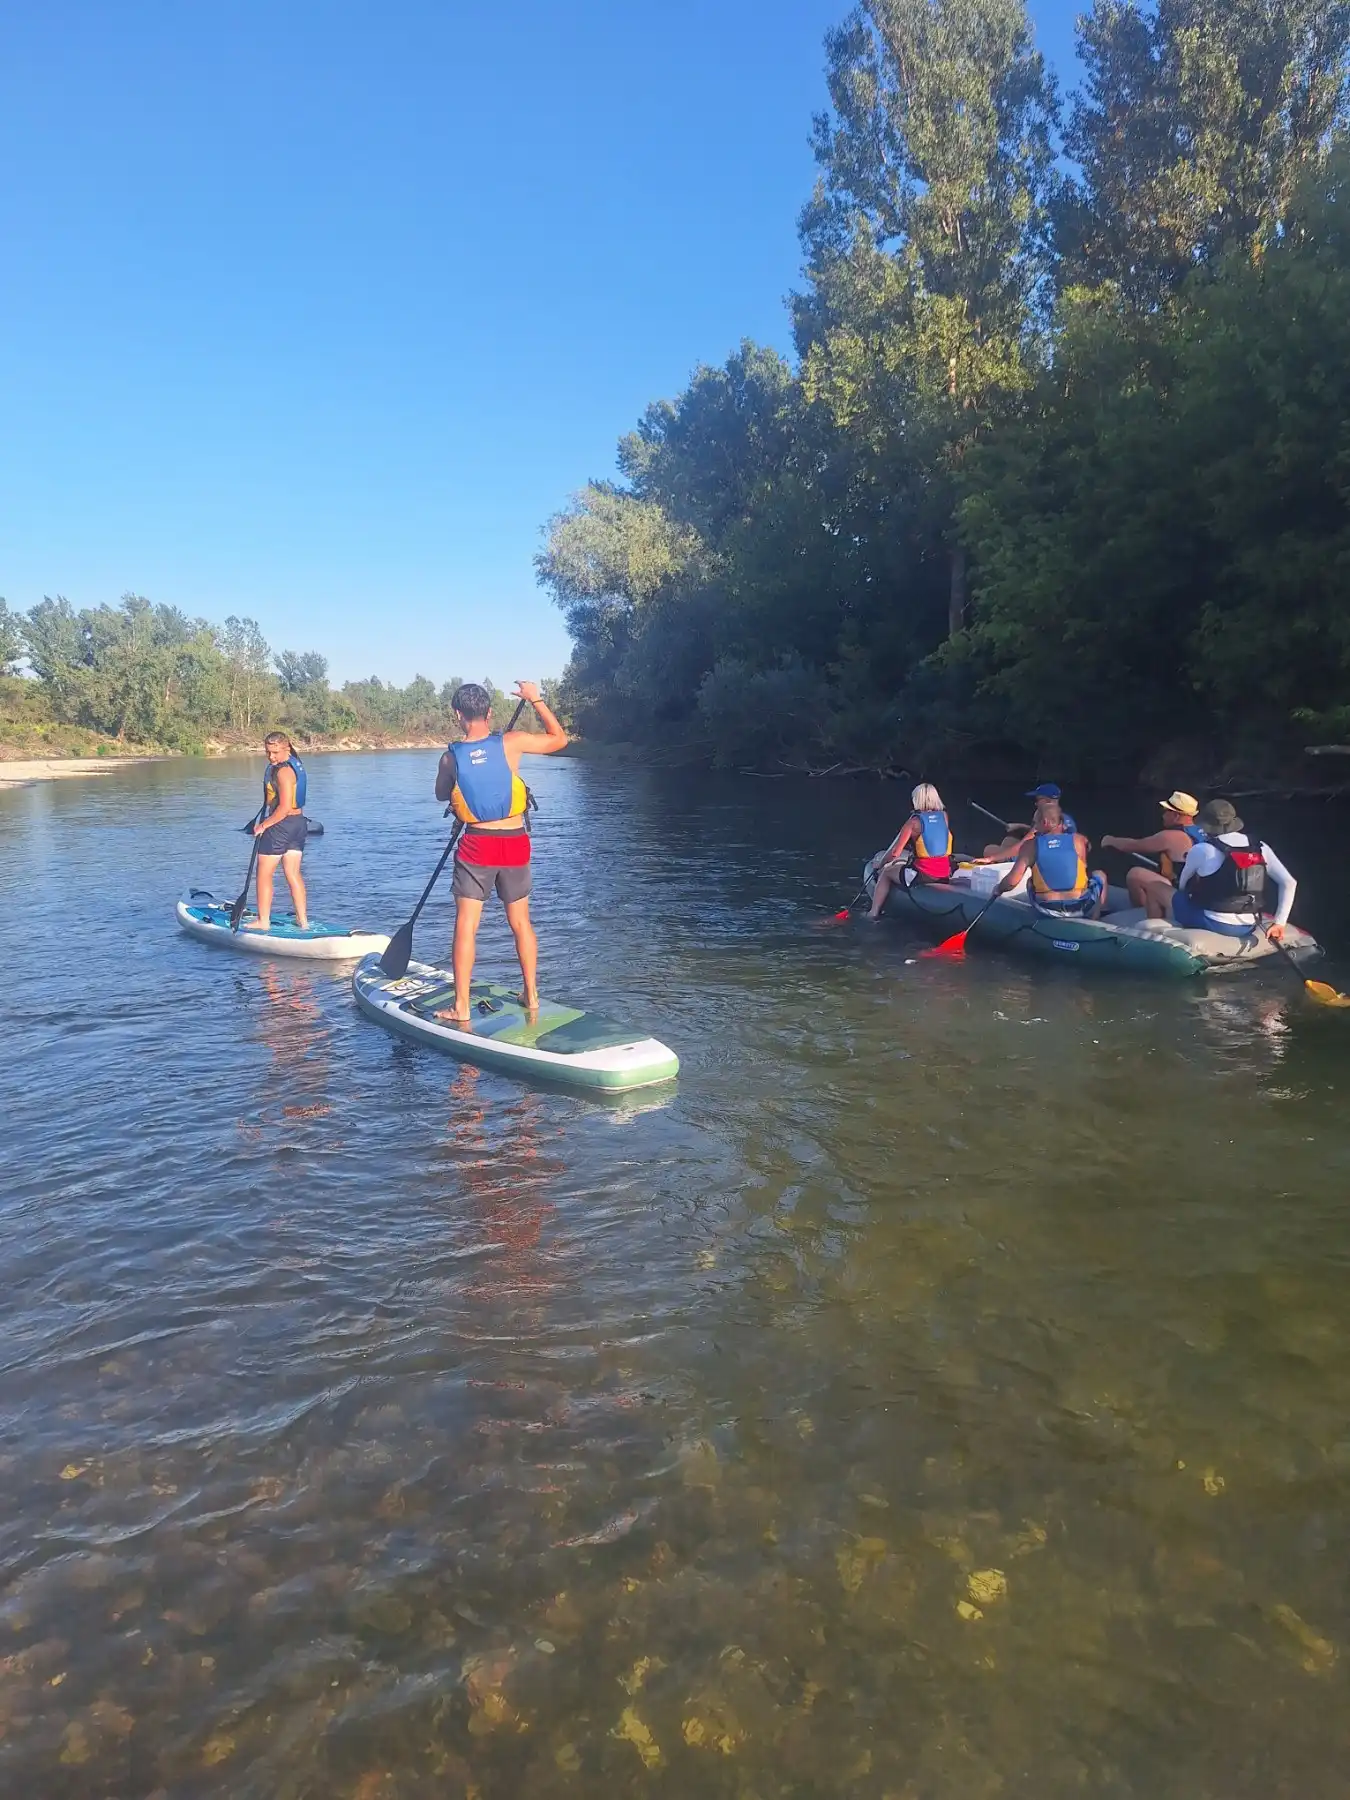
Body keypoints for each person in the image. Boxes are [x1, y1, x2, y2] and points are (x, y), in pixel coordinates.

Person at [433, 681, 568, 1021]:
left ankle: (461, 1006)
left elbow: (440, 795)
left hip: (478, 845)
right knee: (521, 923)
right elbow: (560, 739)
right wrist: (534, 698)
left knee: (466, 926)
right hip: (515, 842)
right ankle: (532, 995)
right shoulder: (512, 742)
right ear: (490, 712)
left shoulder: (450, 757)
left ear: (458, 715)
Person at [1173, 799, 1297, 939]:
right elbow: (1289, 883)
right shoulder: (1260, 847)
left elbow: (1182, 886)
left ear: (1206, 825)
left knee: (1178, 897)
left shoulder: (1201, 849)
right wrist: (1280, 923)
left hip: (1216, 923)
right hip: (1250, 923)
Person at [993, 804, 1109, 919]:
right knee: (1100, 875)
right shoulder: (1080, 840)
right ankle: (1095, 919)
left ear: (1045, 822)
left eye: (1036, 823)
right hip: (1080, 906)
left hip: (1047, 908)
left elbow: (1011, 882)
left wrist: (998, 889)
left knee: (1030, 881)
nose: (1035, 828)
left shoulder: (1030, 846)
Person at [1101, 790, 1204, 919]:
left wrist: (1111, 840)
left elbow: (1134, 845)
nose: (1163, 815)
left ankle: (1141, 913)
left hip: (1182, 892)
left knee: (1135, 873)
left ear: (1177, 816)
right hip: (1196, 890)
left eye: (1166, 811)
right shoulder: (1201, 831)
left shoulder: (1170, 837)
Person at [248, 732, 309, 932]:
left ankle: (263, 921)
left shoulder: (283, 772)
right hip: (298, 825)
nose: (271, 757)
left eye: (275, 752)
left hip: (281, 826)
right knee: (293, 873)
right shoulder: (293, 766)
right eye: (268, 752)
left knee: (264, 873)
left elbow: (282, 809)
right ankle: (303, 921)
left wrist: (263, 826)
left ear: (287, 749)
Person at [866, 784, 955, 918]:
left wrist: (880, 864)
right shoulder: (944, 816)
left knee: (887, 872)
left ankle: (873, 913)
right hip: (944, 873)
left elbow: (895, 852)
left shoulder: (913, 823)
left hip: (924, 875)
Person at [978, 784, 1076, 860]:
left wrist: (991, 858)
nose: (1035, 803)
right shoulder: (1063, 817)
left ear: (1046, 801)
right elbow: (1041, 832)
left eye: (1037, 800)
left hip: (1041, 857)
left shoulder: (1043, 817)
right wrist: (1019, 826)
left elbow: (1025, 842)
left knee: (989, 850)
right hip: (1056, 853)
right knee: (1009, 840)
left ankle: (1011, 864)